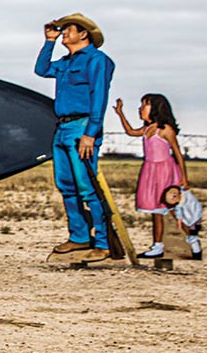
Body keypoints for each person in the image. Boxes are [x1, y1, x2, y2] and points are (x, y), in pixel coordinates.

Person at [34, 13, 115, 262]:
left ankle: (102, 241)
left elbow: (99, 97)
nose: (64, 33)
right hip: (63, 127)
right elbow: (42, 69)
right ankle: (79, 237)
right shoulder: (65, 62)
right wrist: (49, 41)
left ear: (83, 34)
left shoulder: (98, 61)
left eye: (68, 29)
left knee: (87, 186)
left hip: (82, 127)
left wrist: (91, 134)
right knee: (67, 186)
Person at [113, 93, 194, 258]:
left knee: (171, 208)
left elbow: (178, 153)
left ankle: (192, 239)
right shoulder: (147, 129)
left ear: (156, 109)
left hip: (165, 171)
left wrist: (183, 177)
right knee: (156, 211)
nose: (141, 108)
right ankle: (157, 246)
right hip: (151, 171)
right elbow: (129, 131)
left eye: (145, 105)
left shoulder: (164, 130)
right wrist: (120, 113)